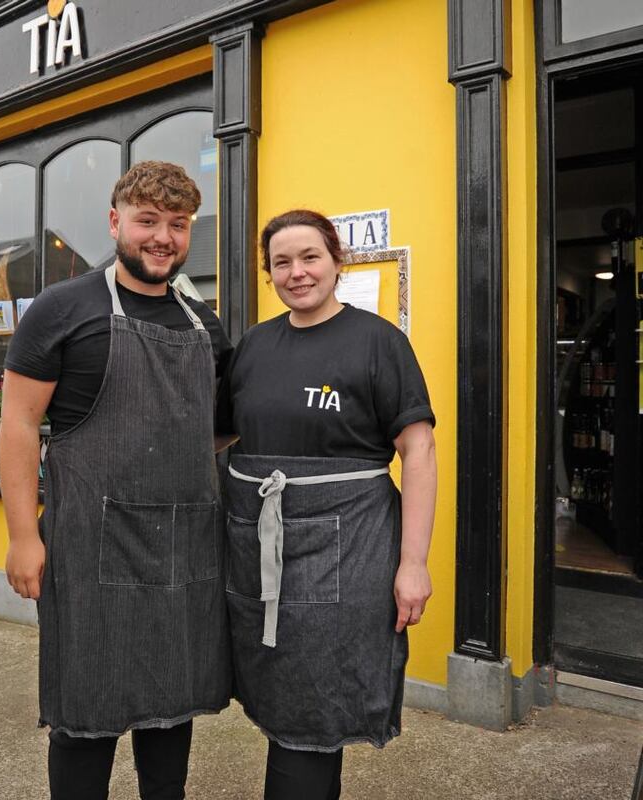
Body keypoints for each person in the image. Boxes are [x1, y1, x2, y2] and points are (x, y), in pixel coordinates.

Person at [0, 161, 233, 800]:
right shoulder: (62, 309)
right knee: (85, 714)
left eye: (177, 225)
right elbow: (18, 425)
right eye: (148, 221)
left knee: (172, 704)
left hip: (183, 549)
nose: (163, 237)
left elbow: (214, 431)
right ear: (116, 222)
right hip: (87, 546)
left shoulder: (202, 323)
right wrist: (24, 536)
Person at [216, 209, 437, 800]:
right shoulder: (254, 347)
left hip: (352, 551)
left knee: (316, 705)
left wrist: (413, 563)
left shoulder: (378, 341)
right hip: (259, 549)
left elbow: (418, 451)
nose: (297, 272)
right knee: (276, 694)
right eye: (281, 263)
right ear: (269, 275)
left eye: (309, 257)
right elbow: (218, 438)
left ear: (337, 260)